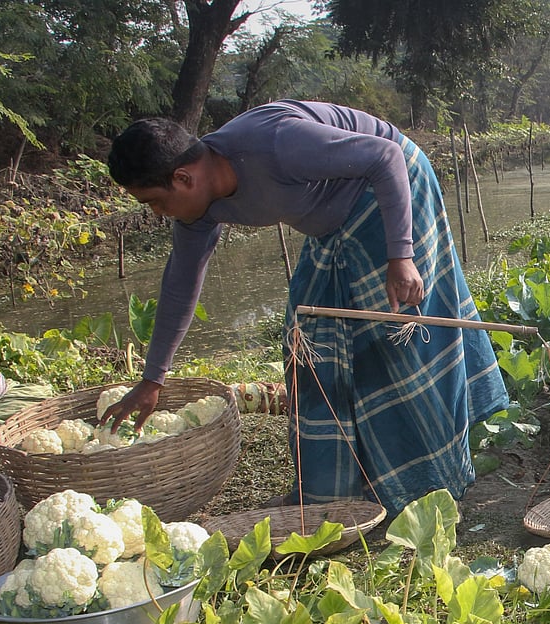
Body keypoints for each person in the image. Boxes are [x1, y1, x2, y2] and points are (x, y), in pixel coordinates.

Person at [102, 100, 509, 515]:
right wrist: (153, 379)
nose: (157, 213)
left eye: (154, 202)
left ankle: (430, 484)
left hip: (392, 190)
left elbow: (385, 157)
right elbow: (179, 284)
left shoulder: (279, 144)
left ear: (183, 177)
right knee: (308, 341)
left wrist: (400, 257)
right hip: (332, 222)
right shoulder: (197, 211)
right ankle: (330, 492)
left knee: (397, 333)